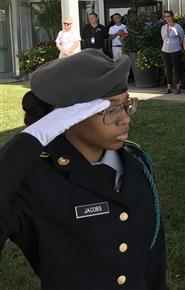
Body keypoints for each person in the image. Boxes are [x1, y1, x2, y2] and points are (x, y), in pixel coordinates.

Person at [0, 49, 166, 289]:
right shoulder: (37, 179)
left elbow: (153, 257)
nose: (125, 119)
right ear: (70, 117)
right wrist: (33, 138)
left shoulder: (136, 163)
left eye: (127, 104)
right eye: (111, 110)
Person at [161, 10, 185, 94]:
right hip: (165, 50)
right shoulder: (163, 27)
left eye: (168, 16)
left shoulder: (177, 26)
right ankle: (169, 87)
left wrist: (180, 47)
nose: (167, 18)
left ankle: (178, 86)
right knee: (168, 69)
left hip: (176, 50)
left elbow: (182, 38)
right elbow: (163, 38)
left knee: (176, 68)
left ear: (172, 17)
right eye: (165, 17)